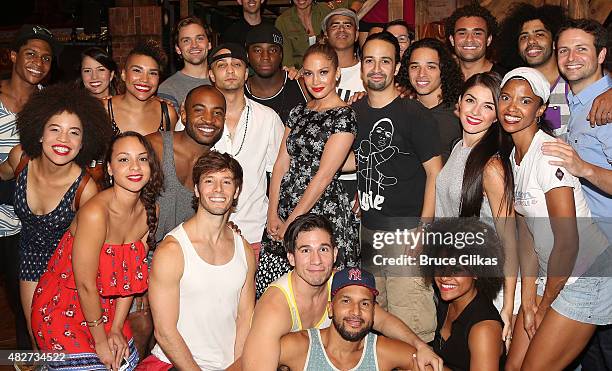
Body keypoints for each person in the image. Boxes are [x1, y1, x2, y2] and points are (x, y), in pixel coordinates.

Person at [499, 67, 612, 371]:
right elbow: (528, 238)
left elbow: (567, 242)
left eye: (525, 101)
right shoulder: (514, 157)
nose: (512, 107)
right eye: (506, 97)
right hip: (553, 276)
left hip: (586, 276)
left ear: (541, 110)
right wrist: (528, 297)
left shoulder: (548, 156)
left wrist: (544, 304)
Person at [241, 213, 444, 371]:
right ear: (291, 258)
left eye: (323, 249)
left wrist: (421, 346)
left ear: (335, 253)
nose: (316, 260)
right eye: (305, 250)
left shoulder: (338, 282)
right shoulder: (275, 307)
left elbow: (382, 320)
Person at [31, 132, 163, 370]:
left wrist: (115, 328)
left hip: (109, 310)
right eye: (124, 159)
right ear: (110, 169)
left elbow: (129, 280)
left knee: (124, 363)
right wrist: (101, 341)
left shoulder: (150, 210)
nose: (135, 166)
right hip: (63, 309)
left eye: (142, 159)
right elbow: (84, 285)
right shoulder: (95, 213)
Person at [0, 82, 111, 349]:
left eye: (74, 133)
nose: (63, 140)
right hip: (29, 257)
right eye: (55, 129)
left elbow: (96, 248)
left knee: (60, 342)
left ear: (83, 142)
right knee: (36, 337)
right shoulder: (21, 159)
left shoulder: (85, 189)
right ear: (39, 133)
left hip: (68, 267)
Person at [351, 32, 443, 343]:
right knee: (377, 322)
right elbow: (363, 159)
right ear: (361, 67)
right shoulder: (355, 112)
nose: (376, 68)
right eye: (370, 61)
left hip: (406, 235)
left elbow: (435, 173)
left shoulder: (412, 113)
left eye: (385, 61)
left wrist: (424, 228)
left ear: (396, 66)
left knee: (413, 329)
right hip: (369, 232)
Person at [255, 43, 359, 298]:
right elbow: (281, 163)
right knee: (274, 290)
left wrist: (292, 222)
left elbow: (324, 176)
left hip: (322, 209)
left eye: (323, 72)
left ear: (337, 74)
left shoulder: (344, 116)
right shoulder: (298, 111)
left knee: (319, 295)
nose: (316, 80)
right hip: (284, 206)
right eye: (309, 73)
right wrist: (272, 213)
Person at [540, 19, 612, 369]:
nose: (570, 57)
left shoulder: (606, 108)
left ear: (601, 54)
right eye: (564, 49)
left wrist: (584, 168)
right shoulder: (572, 101)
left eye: (581, 48)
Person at [141, 151, 255, 370]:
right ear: (196, 189)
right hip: (175, 365)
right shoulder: (172, 251)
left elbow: (245, 317)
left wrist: (238, 365)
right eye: (209, 181)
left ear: (237, 191)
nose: (218, 190)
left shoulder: (245, 250)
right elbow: (164, 332)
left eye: (227, 182)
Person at [434, 72, 518, 348]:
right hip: (458, 277)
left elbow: (509, 238)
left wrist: (507, 305)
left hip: (489, 285)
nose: (476, 112)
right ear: (458, 102)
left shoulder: (492, 166)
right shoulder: (459, 147)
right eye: (471, 100)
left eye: (488, 106)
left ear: (497, 115)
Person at [0, 23, 58, 350]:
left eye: (46, 58)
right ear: (13, 56)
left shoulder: (50, 105)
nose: (38, 62)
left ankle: (29, 362)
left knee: (30, 309)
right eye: (31, 53)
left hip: (30, 224)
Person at [208, 43, 284, 254]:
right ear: (211, 74)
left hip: (256, 230)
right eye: (222, 65)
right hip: (206, 233)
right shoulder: (196, 120)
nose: (230, 70)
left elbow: (281, 173)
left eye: (237, 64)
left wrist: (275, 216)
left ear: (246, 73)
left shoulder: (267, 118)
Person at [278, 267, 428, 370]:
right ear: (330, 308)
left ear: (373, 311)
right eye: (346, 301)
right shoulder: (300, 348)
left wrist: (422, 348)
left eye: (364, 303)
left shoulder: (382, 352)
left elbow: (432, 363)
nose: (356, 311)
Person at [498, 4, 612, 134]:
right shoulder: (515, 86)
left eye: (539, 34)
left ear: (554, 43)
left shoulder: (575, 80)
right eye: (524, 37)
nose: (531, 41)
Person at [421, 219, 506, 370]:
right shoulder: (446, 301)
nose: (444, 277)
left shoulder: (483, 329)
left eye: (456, 269)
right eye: (440, 266)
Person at [148, 85, 225, 242]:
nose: (209, 119)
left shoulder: (217, 166)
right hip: (141, 256)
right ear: (183, 114)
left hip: (186, 258)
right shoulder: (154, 147)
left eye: (217, 113)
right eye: (199, 110)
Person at [401, 38, 462, 163]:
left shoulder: (459, 112)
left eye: (431, 67)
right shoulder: (401, 110)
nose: (421, 74)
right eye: (414, 66)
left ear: (443, 70)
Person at [106, 40, 178, 136]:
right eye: (137, 70)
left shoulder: (167, 114)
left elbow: (170, 150)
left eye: (152, 73)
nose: (145, 79)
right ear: (123, 74)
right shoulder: (104, 109)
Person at [245, 23, 308, 123]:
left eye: (273, 50)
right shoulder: (239, 92)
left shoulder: (301, 86)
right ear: (247, 55)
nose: (265, 56)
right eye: (257, 50)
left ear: (281, 54)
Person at [275, 0, 358, 68]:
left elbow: (358, 2)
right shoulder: (283, 21)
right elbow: (287, 63)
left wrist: (352, 16)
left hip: (331, 68)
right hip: (300, 74)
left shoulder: (326, 10)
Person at [158, 16, 212, 112]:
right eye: (186, 40)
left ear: (209, 44)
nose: (194, 45)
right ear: (178, 49)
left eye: (199, 38)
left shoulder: (223, 80)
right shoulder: (168, 88)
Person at [445, 3, 508, 81]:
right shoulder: (443, 78)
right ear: (452, 40)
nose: (469, 39)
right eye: (462, 33)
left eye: (477, 33)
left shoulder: (505, 80)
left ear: (488, 40)